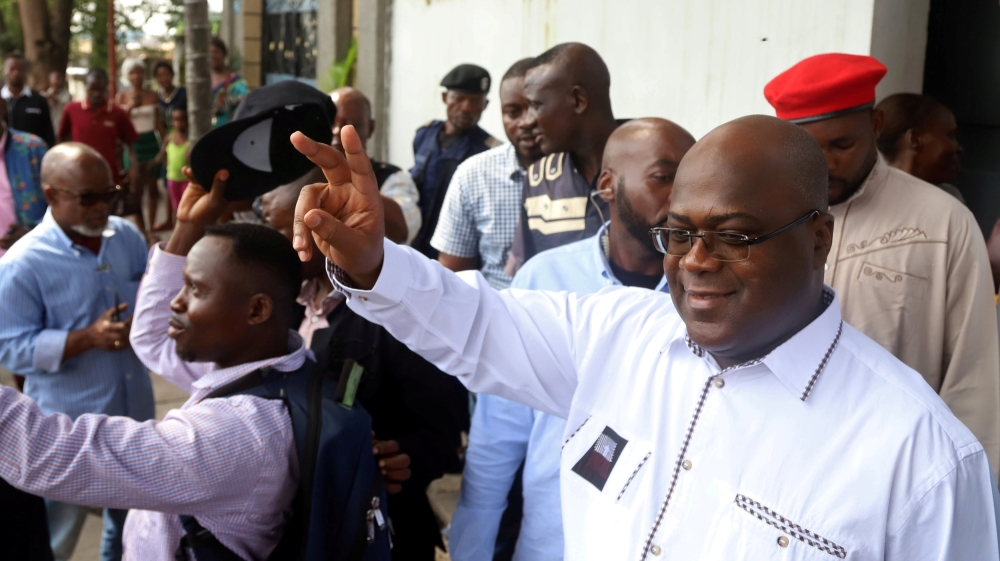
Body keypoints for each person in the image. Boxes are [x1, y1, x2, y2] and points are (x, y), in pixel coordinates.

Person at [291, 117, 1000, 560]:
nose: (695, 259)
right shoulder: (620, 332)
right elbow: (477, 322)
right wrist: (372, 260)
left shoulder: (923, 460)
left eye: (735, 235)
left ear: (820, 239)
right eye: (680, 231)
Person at [0, 164, 319, 559]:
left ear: (256, 310)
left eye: (196, 288)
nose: (176, 300)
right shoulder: (275, 365)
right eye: (181, 283)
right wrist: (187, 228)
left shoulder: (233, 435)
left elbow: (59, 455)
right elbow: (152, 337)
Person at [449, 118, 694, 561]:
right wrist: (472, 549)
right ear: (607, 185)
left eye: (693, 180)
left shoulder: (708, 295)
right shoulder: (545, 279)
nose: (684, 197)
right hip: (552, 542)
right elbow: (499, 433)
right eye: (665, 177)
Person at [765, 53, 1000, 474]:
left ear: (875, 126)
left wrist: (972, 487)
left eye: (842, 144)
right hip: (775, 456)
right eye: (807, 149)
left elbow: (974, 374)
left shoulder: (943, 223)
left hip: (895, 470)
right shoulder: (763, 215)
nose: (827, 164)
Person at [262, 172, 469, 560]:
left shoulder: (393, 315)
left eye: (287, 233)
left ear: (330, 229)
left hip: (382, 533)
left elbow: (444, 431)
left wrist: (405, 458)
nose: (278, 249)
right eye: (272, 231)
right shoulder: (281, 306)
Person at [0, 142, 154, 561]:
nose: (103, 205)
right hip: (64, 431)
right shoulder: (23, 263)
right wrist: (87, 338)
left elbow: (150, 301)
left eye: (110, 193)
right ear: (52, 195)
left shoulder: (126, 237)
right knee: (55, 538)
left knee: (131, 529)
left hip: (134, 417)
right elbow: (10, 348)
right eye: (89, 198)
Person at [505, 43, 620, 275]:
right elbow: (527, 275)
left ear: (578, 100)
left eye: (536, 106)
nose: (527, 121)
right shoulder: (538, 178)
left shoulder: (651, 165)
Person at [431, 58, 543, 290]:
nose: (527, 122)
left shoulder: (487, 146)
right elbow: (454, 277)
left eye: (474, 101)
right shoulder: (471, 170)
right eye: (513, 111)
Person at [409, 63, 501, 257]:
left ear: (485, 105)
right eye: (459, 99)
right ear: (445, 98)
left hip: (457, 251)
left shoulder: (489, 152)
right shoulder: (424, 135)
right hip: (416, 244)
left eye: (475, 101)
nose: (467, 108)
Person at [330, 86, 421, 244]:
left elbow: (404, 229)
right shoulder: (301, 172)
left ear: (370, 128)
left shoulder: (391, 178)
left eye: (349, 124)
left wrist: (350, 185)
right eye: (330, 123)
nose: (337, 131)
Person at [58, 67, 141, 221]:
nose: (96, 93)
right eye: (92, 89)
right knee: (81, 220)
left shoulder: (117, 112)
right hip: (79, 179)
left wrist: (133, 169)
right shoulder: (72, 109)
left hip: (109, 180)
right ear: (86, 87)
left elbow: (130, 144)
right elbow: (62, 139)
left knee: (108, 220)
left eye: (100, 89)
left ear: (105, 88)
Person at [875, 93, 965, 202]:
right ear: (915, 139)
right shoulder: (868, 200)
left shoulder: (950, 197)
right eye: (950, 136)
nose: (959, 148)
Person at [117, 58, 167, 234]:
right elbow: (119, 123)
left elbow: (159, 123)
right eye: (132, 72)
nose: (136, 76)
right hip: (132, 147)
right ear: (127, 75)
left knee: (153, 188)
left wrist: (164, 147)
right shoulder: (122, 96)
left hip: (151, 144)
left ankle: (151, 228)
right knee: (136, 190)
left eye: (139, 72)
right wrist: (130, 107)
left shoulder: (153, 95)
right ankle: (141, 230)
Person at [0, 96, 49, 256]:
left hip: (32, 258)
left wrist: (30, 232)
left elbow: (64, 205)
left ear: (2, 106)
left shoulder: (33, 148)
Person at [2, 53, 56, 147]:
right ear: (5, 71)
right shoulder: (1, 99)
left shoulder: (39, 100)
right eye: (12, 69)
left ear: (25, 72)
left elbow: (48, 133)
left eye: (20, 69)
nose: (16, 73)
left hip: (33, 156)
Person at [153, 106, 189, 215]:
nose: (178, 123)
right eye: (175, 120)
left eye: (182, 120)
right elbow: (162, 155)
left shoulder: (190, 140)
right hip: (172, 179)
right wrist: (151, 164)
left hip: (186, 179)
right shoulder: (169, 137)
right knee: (176, 209)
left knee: (186, 207)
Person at [209, 37, 248, 127]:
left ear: (224, 54)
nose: (212, 56)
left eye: (216, 52)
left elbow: (245, 102)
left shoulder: (236, 81)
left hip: (228, 128)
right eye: (209, 53)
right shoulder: (201, 81)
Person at [154, 61, 187, 127]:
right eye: (160, 76)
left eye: (166, 75)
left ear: (172, 74)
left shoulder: (183, 93)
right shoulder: (156, 97)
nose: (163, 79)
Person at [42, 70, 71, 135]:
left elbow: (64, 107)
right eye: (54, 78)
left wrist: (52, 97)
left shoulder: (67, 95)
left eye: (58, 78)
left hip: (61, 127)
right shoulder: (44, 95)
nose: (56, 81)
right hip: (48, 128)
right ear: (50, 80)